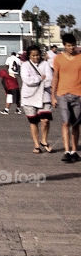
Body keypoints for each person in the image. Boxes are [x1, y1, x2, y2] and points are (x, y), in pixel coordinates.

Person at [18, 44, 54, 152]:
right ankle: (36, 145)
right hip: (29, 97)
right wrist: (40, 78)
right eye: (33, 56)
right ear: (29, 56)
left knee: (45, 120)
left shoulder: (45, 64)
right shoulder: (25, 65)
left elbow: (49, 80)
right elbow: (27, 80)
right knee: (33, 122)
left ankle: (44, 140)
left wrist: (37, 80)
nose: (35, 57)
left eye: (37, 55)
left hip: (44, 96)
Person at [52, 33, 81, 163]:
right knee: (65, 122)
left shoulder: (80, 57)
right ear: (64, 46)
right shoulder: (58, 59)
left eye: (73, 45)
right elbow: (55, 77)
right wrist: (53, 96)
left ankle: (74, 150)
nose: (71, 48)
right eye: (69, 46)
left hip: (78, 94)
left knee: (76, 124)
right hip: (62, 94)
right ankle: (66, 151)